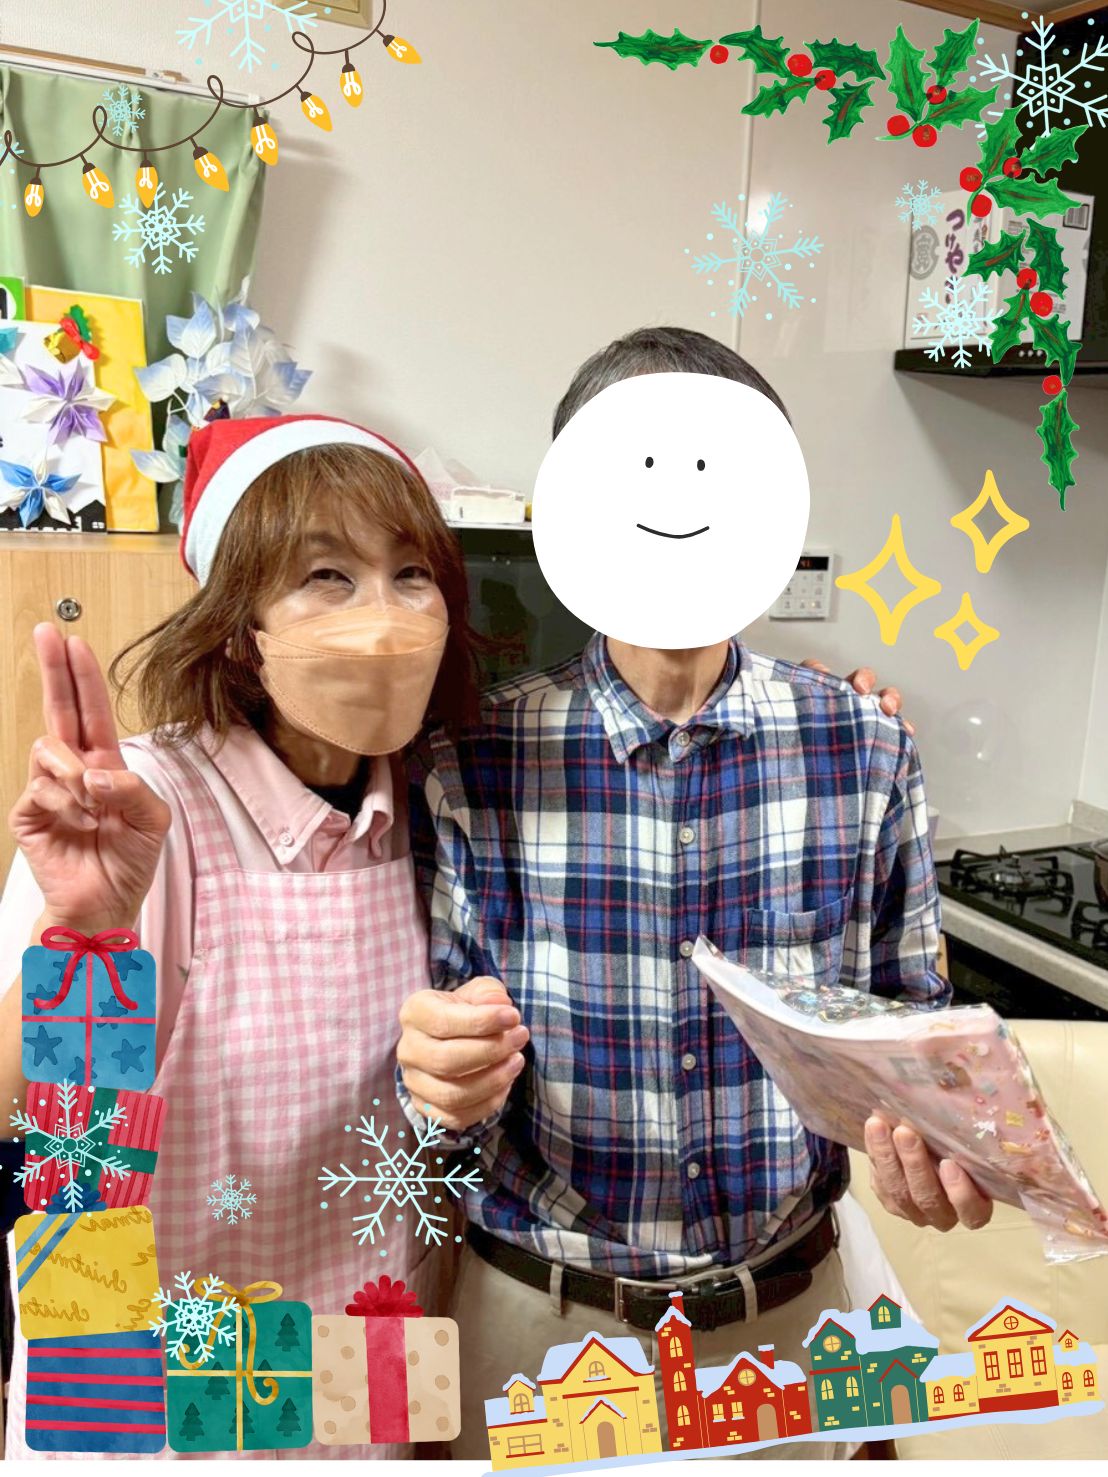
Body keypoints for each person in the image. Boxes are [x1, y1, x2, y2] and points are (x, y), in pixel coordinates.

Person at [396, 328, 994, 1460]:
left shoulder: (863, 745)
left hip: (791, 1321)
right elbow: (428, 1082)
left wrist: (946, 1140)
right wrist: (434, 1078)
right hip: (541, 1325)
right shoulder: (472, 757)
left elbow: (912, 1034)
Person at [0, 414, 479, 1460]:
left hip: (361, 1394)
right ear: (236, 628)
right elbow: (47, 1136)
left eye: (410, 573)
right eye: (326, 575)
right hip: (158, 1409)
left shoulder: (440, 808)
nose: (384, 617)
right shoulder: (137, 809)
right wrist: (84, 939)